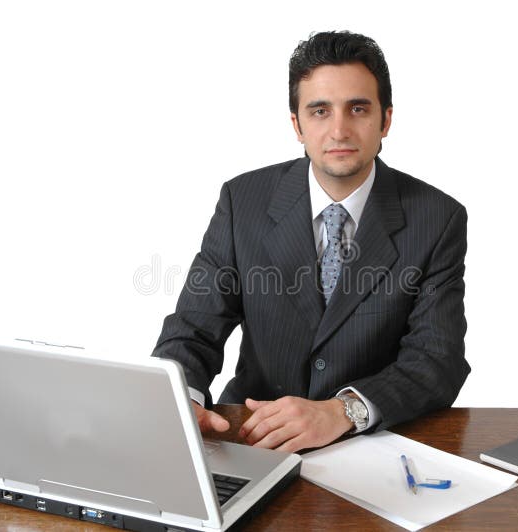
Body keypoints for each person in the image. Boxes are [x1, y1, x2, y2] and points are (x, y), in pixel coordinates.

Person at [153, 30, 469, 453]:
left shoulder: (438, 218)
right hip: (254, 433)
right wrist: (181, 398)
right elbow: (193, 329)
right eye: (320, 111)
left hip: (374, 445)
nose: (339, 129)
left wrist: (342, 411)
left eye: (358, 108)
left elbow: (436, 359)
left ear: (385, 120)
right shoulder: (242, 200)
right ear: (297, 125)